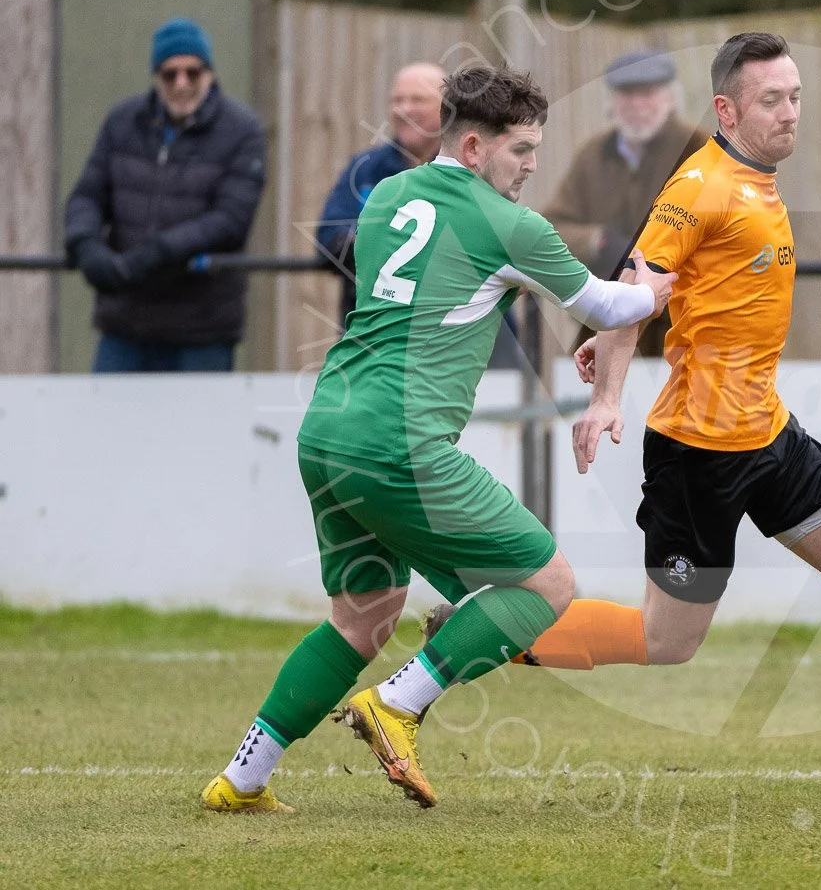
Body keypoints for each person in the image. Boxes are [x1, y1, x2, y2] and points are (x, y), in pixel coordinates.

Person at [429, 33, 821, 790]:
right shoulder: (699, 187)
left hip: (769, 432)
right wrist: (607, 397)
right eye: (771, 101)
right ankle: (479, 637)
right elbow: (635, 286)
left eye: (796, 97)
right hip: (699, 452)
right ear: (727, 108)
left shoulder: (758, 179)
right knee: (666, 641)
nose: (790, 114)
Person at [198, 65, 676, 814]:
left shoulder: (388, 194)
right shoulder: (506, 223)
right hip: (402, 443)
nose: (530, 166)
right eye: (521, 150)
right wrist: (660, 286)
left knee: (363, 614)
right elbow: (608, 302)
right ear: (477, 145)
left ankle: (242, 779)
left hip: (328, 429)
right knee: (546, 584)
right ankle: (398, 702)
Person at [64, 17, 267, 372]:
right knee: (107, 427)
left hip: (201, 330)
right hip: (124, 324)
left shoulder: (242, 130)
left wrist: (157, 253)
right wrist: (84, 244)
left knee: (197, 429)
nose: (181, 83)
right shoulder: (122, 122)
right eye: (169, 74)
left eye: (192, 72)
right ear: (156, 76)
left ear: (210, 73)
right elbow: (87, 196)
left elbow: (230, 220)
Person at [543, 49, 710, 355]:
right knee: (588, 392)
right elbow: (552, 225)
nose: (636, 105)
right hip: (607, 322)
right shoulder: (593, 154)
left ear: (670, 99)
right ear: (612, 102)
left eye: (647, 94)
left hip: (684, 327)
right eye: (626, 94)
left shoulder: (699, 148)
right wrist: (598, 241)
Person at [315, 62, 447, 326]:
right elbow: (328, 237)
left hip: (448, 338)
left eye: (418, 99)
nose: (404, 109)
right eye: (397, 100)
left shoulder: (469, 172)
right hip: (368, 333)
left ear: (448, 108)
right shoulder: (365, 168)